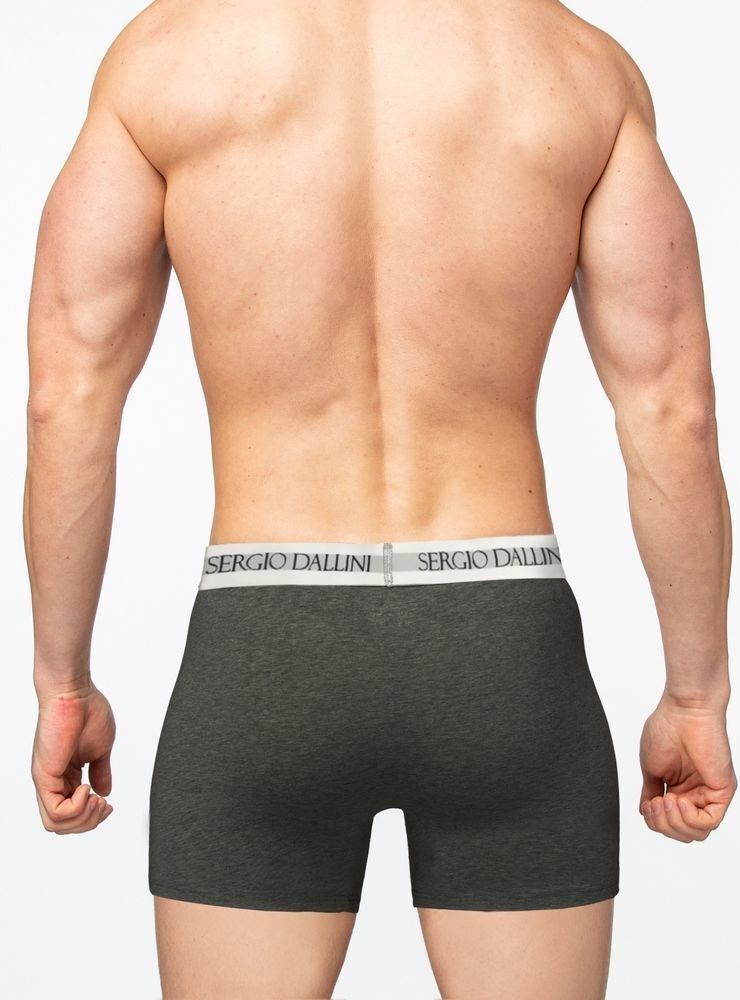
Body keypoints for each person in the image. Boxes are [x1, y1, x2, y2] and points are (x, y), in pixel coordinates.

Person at [24, 1, 735, 998]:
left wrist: (63, 685)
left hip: (266, 646)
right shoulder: (577, 67)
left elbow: (66, 399)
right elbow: (673, 412)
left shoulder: (164, 59)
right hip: (502, 646)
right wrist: (696, 694)